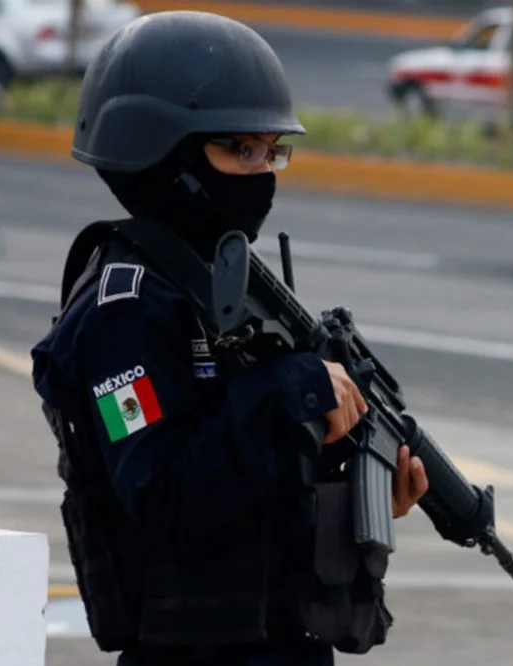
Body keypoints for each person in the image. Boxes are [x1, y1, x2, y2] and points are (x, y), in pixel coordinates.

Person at [29, 10, 428, 666]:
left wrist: (358, 488)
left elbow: (251, 486)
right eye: (240, 150)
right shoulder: (121, 316)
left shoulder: (229, 292)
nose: (263, 173)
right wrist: (291, 393)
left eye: (272, 151)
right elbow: (163, 503)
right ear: (165, 156)